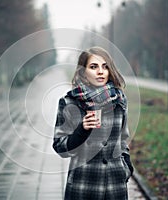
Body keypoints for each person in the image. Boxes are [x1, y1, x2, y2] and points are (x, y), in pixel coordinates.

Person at [53, 46, 134, 200]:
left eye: (105, 67)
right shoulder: (69, 102)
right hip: (84, 184)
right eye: (93, 67)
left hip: (115, 184)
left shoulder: (119, 99)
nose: (100, 71)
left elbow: (123, 139)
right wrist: (81, 131)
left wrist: (126, 168)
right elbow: (60, 147)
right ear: (83, 71)